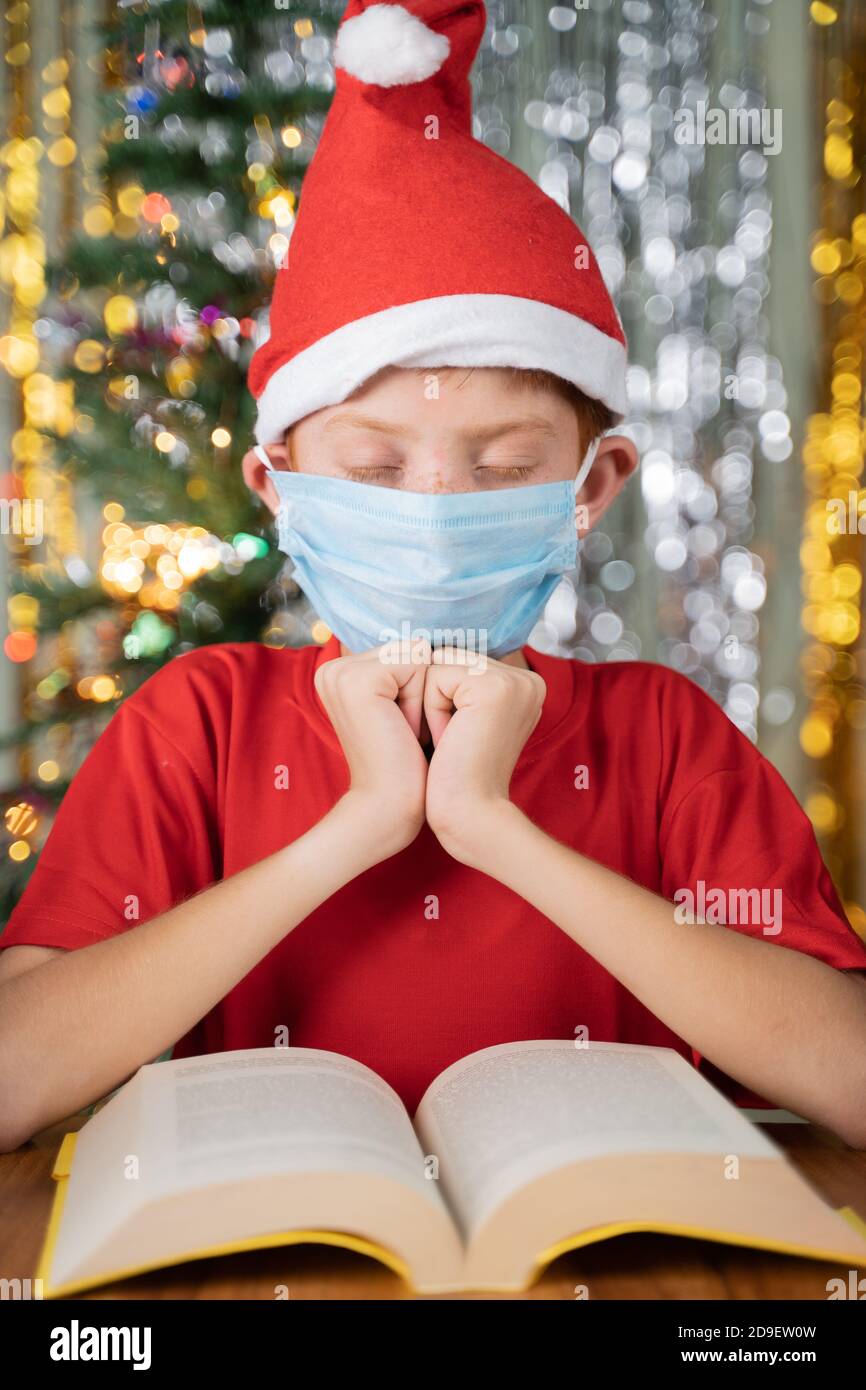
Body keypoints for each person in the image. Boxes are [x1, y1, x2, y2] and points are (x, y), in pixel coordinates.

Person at [1, 0, 865, 1153]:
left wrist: (491, 826)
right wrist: (358, 824)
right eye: (372, 464)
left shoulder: (664, 740)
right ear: (280, 485)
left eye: (504, 464)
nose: (436, 513)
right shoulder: (197, 727)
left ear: (591, 484)